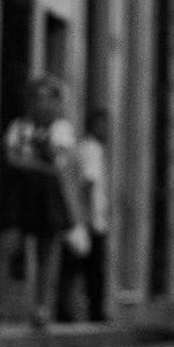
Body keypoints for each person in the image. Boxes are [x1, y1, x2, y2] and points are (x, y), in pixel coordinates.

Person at [0, 75, 86, 328]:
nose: (42, 104)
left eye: (48, 98)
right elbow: (13, 158)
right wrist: (40, 162)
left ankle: (41, 307)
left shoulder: (61, 129)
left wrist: (36, 159)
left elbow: (58, 163)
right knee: (8, 242)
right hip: (20, 191)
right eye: (37, 98)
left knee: (46, 249)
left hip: (46, 193)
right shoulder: (19, 127)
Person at [56, 108, 110, 323]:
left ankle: (66, 309)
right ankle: (92, 312)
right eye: (104, 124)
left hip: (82, 217)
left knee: (74, 267)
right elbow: (88, 183)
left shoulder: (83, 148)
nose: (107, 129)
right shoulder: (92, 149)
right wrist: (87, 219)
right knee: (92, 270)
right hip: (90, 220)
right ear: (95, 125)